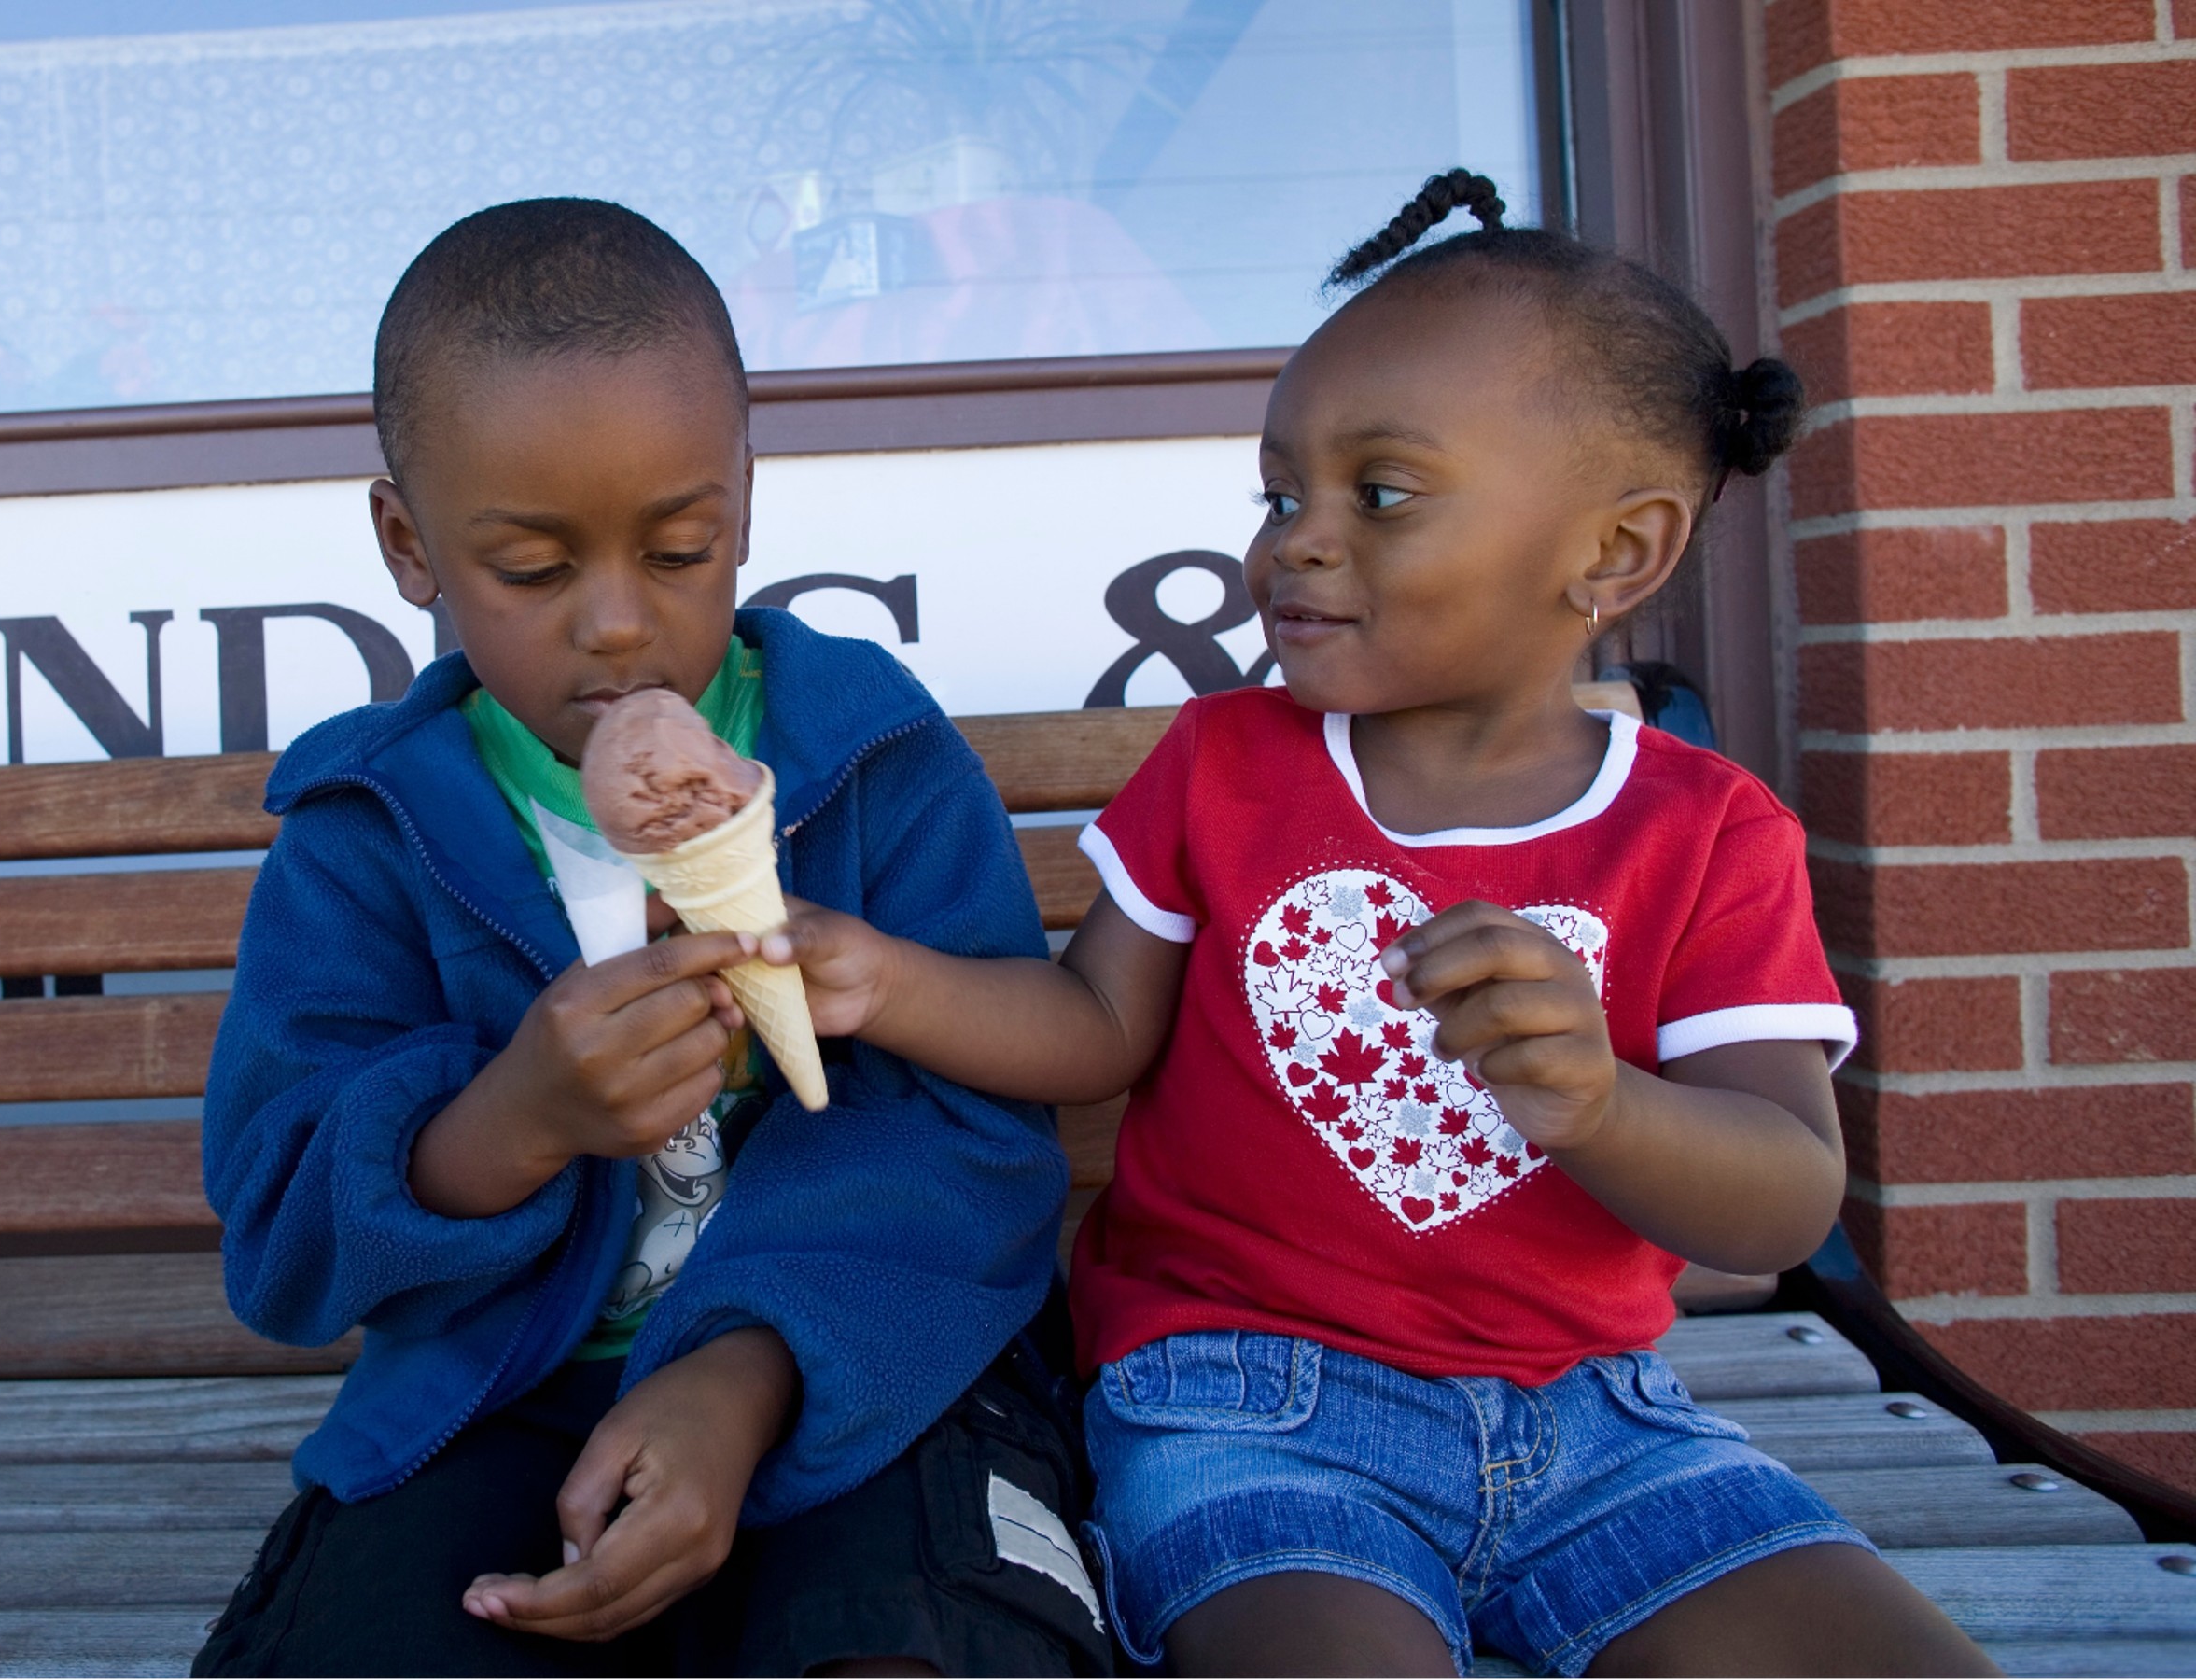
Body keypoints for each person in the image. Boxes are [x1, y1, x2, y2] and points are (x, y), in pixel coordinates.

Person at [760, 172, 1997, 1676]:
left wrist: (1600, 1105)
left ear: (1612, 555)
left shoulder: (1708, 834)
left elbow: (1787, 1198)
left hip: (1597, 1420)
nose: (1300, 542)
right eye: (1283, 494)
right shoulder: (1228, 765)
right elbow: (1092, 1032)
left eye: (1380, 495)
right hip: (1241, 1402)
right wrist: (886, 980)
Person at [193, 198, 1110, 1677]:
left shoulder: (869, 761)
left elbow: (976, 1139)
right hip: (504, 1393)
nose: (619, 627)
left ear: (743, 505)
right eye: (536, 573)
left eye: (680, 550)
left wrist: (743, 1380)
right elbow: (287, 1242)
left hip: (870, 1361)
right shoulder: (368, 836)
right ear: (407, 543)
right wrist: (512, 1121)